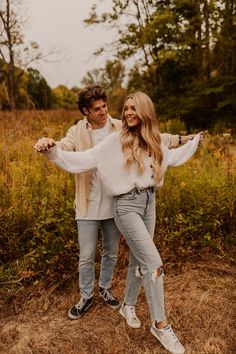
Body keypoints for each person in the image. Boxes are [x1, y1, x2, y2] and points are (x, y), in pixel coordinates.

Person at [35, 91, 200, 354]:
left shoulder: (150, 139)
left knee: (138, 260)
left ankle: (128, 305)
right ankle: (161, 324)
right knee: (152, 263)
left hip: (149, 203)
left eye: (134, 108)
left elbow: (172, 155)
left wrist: (193, 141)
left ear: (145, 111)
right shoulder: (114, 139)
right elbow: (82, 159)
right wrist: (53, 152)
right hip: (125, 206)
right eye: (126, 109)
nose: (128, 113)